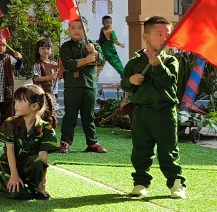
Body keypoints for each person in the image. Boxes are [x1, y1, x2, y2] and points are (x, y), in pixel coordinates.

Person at [122, 16, 185, 199]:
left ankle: (176, 183)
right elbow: (125, 84)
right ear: (146, 37)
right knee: (141, 150)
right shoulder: (135, 62)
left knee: (168, 151)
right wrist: (131, 80)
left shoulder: (171, 61)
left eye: (167, 34)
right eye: (159, 34)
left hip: (164, 113)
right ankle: (140, 182)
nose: (164, 38)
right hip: (141, 112)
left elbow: (169, 82)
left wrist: (158, 66)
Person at [0, 84, 60, 200]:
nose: (16, 104)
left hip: (28, 166)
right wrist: (14, 175)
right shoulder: (10, 123)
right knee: (20, 194)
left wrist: (42, 187)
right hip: (8, 166)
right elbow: (10, 150)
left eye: (20, 101)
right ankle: (3, 184)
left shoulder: (46, 129)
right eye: (16, 100)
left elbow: (42, 159)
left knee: (37, 162)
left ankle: (32, 188)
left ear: (34, 106)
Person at [59, 19, 107, 154]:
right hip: (72, 86)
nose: (76, 30)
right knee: (70, 115)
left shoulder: (93, 44)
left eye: (80, 28)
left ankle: (92, 142)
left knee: (89, 116)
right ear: (69, 30)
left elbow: (101, 60)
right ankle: (65, 142)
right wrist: (85, 60)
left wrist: (94, 52)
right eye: (73, 27)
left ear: (87, 30)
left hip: (89, 85)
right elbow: (68, 64)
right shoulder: (66, 46)